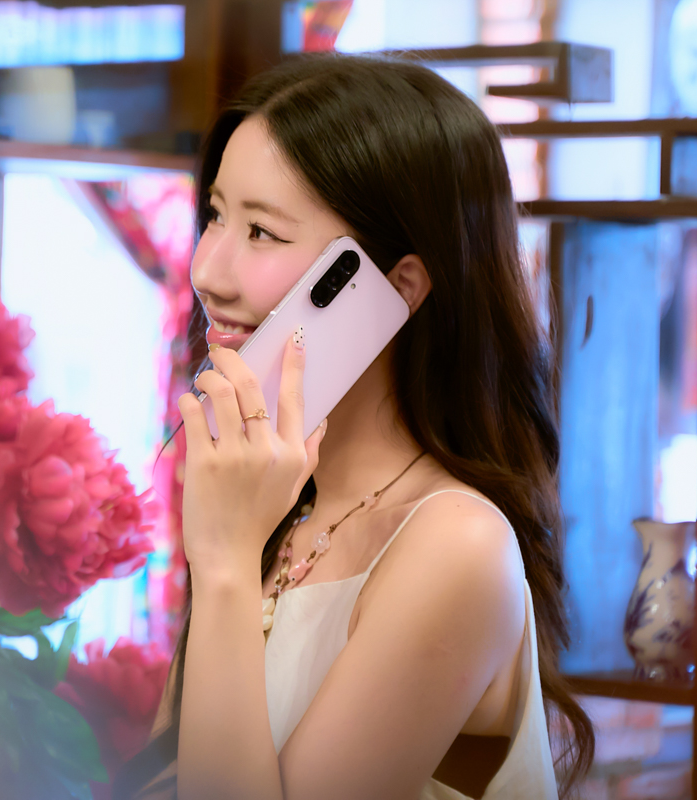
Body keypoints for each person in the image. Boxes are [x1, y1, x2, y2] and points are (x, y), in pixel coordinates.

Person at [115, 53, 594, 800]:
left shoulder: (456, 545)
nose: (207, 270)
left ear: (397, 287)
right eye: (214, 216)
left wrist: (226, 562)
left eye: (261, 232)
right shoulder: (284, 505)